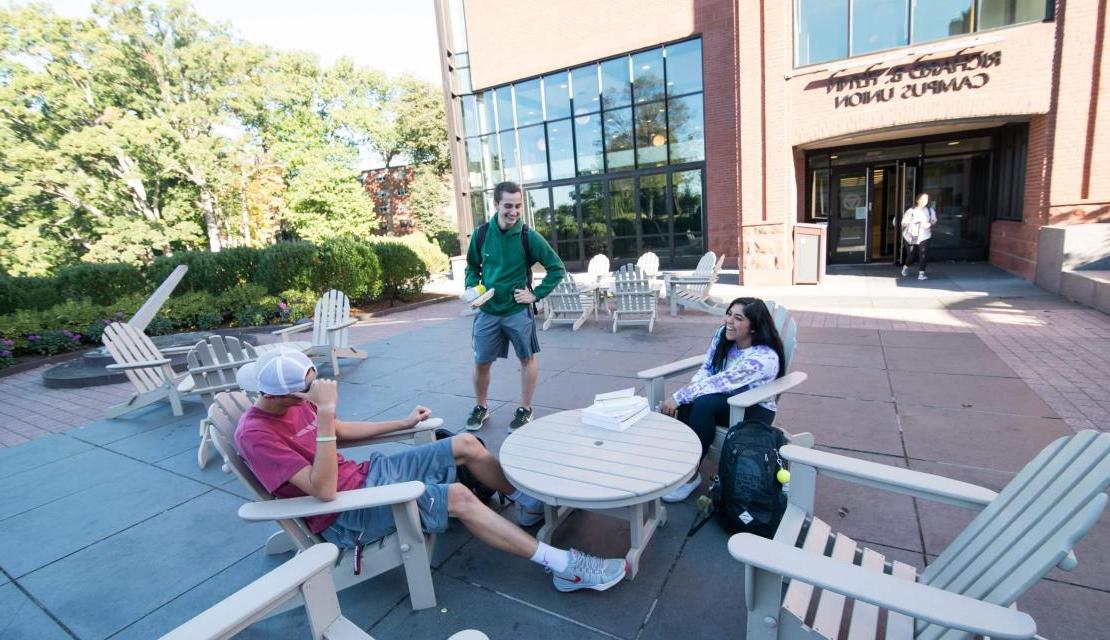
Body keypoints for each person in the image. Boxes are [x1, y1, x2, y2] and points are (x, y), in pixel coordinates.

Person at [233, 347, 627, 593]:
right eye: (306, 389)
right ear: (278, 393)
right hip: (344, 515)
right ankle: (564, 568)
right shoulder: (255, 435)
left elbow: (339, 433)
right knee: (457, 495)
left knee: (465, 444)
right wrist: (326, 414)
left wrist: (402, 424)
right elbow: (323, 490)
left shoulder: (295, 401)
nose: (315, 390)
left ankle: (524, 501)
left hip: (367, 476)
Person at [462, 181, 566, 432]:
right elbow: (471, 267)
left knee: (527, 358)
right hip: (488, 311)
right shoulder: (482, 234)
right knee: (481, 362)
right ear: (496, 204)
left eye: (518, 206)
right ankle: (481, 407)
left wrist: (535, 294)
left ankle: (525, 410)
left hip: (517, 311)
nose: (514, 211)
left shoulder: (528, 236)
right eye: (508, 205)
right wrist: (472, 288)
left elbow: (557, 269)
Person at [657, 297, 785, 502]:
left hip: (753, 407)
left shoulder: (762, 359)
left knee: (701, 404)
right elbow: (708, 368)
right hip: (726, 397)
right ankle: (681, 467)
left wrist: (678, 396)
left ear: (753, 327)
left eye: (738, 318)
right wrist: (689, 389)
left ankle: (690, 477)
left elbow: (721, 382)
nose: (729, 321)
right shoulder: (723, 335)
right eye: (729, 314)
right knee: (689, 405)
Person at [900, 192, 937, 281]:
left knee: (923, 254)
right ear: (917, 200)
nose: (925, 201)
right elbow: (903, 223)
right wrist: (910, 224)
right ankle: (905, 267)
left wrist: (929, 224)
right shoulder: (911, 211)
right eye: (923, 199)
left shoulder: (930, 210)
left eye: (927, 199)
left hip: (925, 236)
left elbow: (934, 220)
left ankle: (921, 273)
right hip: (911, 236)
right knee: (912, 255)